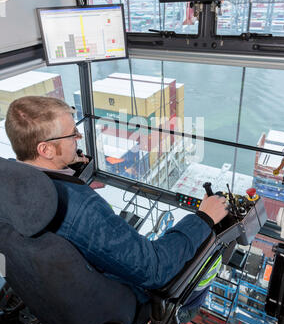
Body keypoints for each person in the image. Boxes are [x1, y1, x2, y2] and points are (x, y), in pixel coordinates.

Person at [5, 95, 228, 312]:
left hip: (53, 298)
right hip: (119, 303)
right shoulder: (81, 209)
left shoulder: (9, 183)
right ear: (45, 150)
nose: (79, 137)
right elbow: (155, 269)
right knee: (204, 270)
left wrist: (67, 171)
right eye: (72, 134)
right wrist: (204, 219)